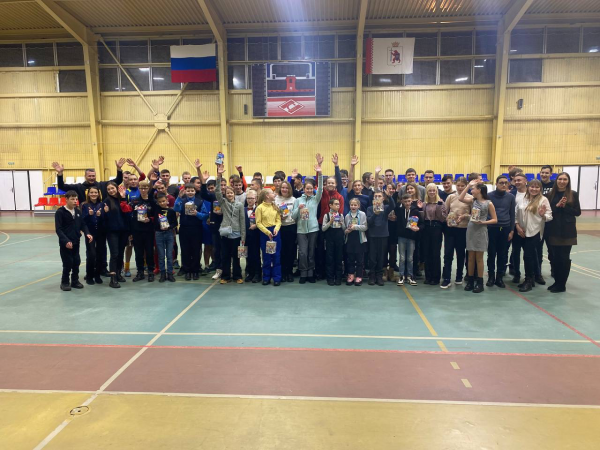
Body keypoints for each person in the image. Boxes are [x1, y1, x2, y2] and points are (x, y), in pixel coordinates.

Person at [544, 172, 581, 293]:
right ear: (556, 180)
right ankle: (556, 282)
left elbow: (577, 212)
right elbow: (548, 212)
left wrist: (565, 206)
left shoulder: (573, 194)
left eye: (565, 179)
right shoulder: (549, 195)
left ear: (568, 181)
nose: (562, 181)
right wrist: (557, 205)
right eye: (560, 179)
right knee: (554, 257)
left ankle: (561, 284)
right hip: (553, 230)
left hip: (567, 231)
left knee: (564, 258)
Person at [460, 181, 497, 293]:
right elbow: (461, 198)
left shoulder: (489, 203)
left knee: (479, 258)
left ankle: (480, 282)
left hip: (481, 230)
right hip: (471, 229)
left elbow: (495, 219)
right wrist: (468, 185)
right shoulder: (473, 200)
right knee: (470, 257)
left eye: (473, 189)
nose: (472, 191)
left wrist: (483, 222)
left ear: (479, 190)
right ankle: (470, 280)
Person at [516, 180, 553, 292]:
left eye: (537, 187)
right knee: (527, 256)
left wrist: (543, 215)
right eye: (532, 187)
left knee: (528, 256)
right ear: (528, 187)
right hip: (522, 231)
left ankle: (528, 280)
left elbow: (550, 216)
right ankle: (530, 279)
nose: (534, 189)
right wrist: (517, 226)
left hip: (534, 232)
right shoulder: (523, 198)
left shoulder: (543, 200)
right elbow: (516, 214)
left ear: (540, 189)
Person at [55, 190, 93, 291]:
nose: (75, 201)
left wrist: (87, 233)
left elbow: (83, 224)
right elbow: (58, 229)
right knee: (68, 263)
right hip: (66, 243)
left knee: (76, 261)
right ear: (66, 199)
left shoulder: (78, 212)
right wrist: (66, 241)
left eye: (76, 199)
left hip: (76, 241)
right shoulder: (60, 212)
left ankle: (75, 281)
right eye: (72, 199)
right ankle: (65, 282)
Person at [215, 164, 246, 284]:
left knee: (236, 257)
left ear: (234, 194)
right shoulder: (223, 203)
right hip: (225, 233)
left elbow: (242, 220)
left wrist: (243, 237)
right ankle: (225, 276)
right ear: (225, 194)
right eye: (227, 193)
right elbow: (217, 192)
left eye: (231, 193)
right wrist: (219, 176)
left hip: (237, 234)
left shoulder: (239, 205)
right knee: (225, 256)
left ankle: (237, 276)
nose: (229, 194)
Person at [292, 165, 323, 284]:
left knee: (311, 252)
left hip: (313, 230)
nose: (309, 190)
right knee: (303, 253)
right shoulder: (298, 200)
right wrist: (298, 209)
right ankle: (303, 273)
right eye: (307, 189)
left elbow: (320, 189)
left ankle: (310, 273)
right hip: (301, 230)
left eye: (311, 189)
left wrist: (320, 174)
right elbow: (293, 216)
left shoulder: (315, 199)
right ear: (304, 189)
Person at [316, 153, 344, 281]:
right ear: (326, 184)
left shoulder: (339, 197)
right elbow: (319, 183)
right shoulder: (323, 193)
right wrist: (319, 167)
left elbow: (340, 212)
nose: (331, 184)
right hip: (323, 225)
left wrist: (336, 166)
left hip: (336, 228)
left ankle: (336, 275)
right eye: (328, 183)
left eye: (333, 183)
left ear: (336, 184)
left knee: (336, 253)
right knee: (322, 250)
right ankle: (323, 273)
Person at [52, 159, 125, 204]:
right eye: (89, 176)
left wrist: (119, 169)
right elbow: (62, 187)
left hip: (102, 214)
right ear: (85, 176)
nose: (91, 178)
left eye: (93, 176)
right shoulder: (79, 187)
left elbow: (118, 180)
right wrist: (60, 174)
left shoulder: (102, 185)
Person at [486, 175, 516, 288]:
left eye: (505, 183)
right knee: (491, 253)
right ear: (496, 184)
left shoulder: (511, 197)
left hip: (505, 228)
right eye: (501, 183)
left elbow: (512, 214)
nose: (504, 185)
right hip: (491, 228)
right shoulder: (489, 196)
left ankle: (499, 277)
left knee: (503, 254)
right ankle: (491, 277)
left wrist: (511, 230)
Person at [441, 177, 471, 288]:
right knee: (448, 254)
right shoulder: (451, 197)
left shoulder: (470, 198)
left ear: (466, 186)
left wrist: (464, 216)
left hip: (463, 229)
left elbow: (474, 214)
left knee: (461, 254)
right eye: (458, 185)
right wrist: (448, 218)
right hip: (450, 229)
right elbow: (445, 211)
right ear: (455, 185)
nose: (460, 188)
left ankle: (459, 276)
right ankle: (447, 278)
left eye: (462, 186)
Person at [174, 183, 208, 281]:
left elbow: (205, 215)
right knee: (185, 250)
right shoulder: (182, 201)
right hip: (184, 228)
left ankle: (195, 270)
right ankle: (187, 270)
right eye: (188, 190)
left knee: (196, 250)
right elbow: (176, 209)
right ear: (185, 191)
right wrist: (179, 197)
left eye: (192, 191)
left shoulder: (200, 202)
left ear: (195, 191)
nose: (190, 192)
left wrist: (197, 214)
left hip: (196, 229)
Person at [103, 181, 131, 288]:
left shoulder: (123, 198)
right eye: (109, 189)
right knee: (114, 254)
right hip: (112, 232)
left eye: (112, 188)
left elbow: (127, 214)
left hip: (123, 231)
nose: (111, 191)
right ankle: (113, 278)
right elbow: (105, 219)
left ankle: (118, 274)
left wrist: (123, 199)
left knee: (120, 253)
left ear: (117, 188)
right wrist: (106, 213)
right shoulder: (106, 201)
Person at [129, 180, 156, 282]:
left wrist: (150, 219)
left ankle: (150, 271)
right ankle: (140, 272)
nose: (143, 190)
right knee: (138, 252)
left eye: (145, 188)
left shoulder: (152, 201)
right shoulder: (134, 201)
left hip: (149, 230)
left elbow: (157, 215)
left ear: (148, 189)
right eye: (141, 188)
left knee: (149, 252)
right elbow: (130, 216)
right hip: (137, 231)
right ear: (139, 189)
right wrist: (131, 232)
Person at [367, 189, 395, 286]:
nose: (377, 198)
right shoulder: (370, 209)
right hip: (372, 235)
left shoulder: (386, 208)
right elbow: (369, 222)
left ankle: (379, 276)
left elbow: (393, 206)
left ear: (383, 198)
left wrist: (389, 196)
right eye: (375, 196)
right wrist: (375, 214)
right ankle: (372, 275)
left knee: (381, 256)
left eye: (379, 196)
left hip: (383, 235)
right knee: (372, 257)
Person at [421, 183, 447, 286]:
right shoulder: (424, 204)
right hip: (426, 228)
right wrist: (420, 209)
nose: (432, 192)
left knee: (435, 253)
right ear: (427, 192)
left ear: (436, 192)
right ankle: (428, 276)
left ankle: (436, 277)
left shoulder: (441, 203)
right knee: (426, 253)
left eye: (434, 190)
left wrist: (439, 206)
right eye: (430, 191)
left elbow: (442, 218)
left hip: (437, 228)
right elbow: (422, 218)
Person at [256, 187, 282, 286]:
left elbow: (278, 220)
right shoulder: (260, 208)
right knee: (266, 256)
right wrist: (267, 232)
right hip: (265, 233)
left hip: (275, 233)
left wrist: (276, 229)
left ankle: (277, 277)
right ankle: (266, 277)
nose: (274, 194)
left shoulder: (275, 207)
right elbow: (258, 223)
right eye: (272, 193)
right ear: (267, 196)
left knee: (276, 256)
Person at [81, 186, 105, 285]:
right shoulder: (85, 205)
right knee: (91, 255)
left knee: (100, 254)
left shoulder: (102, 204)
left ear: (98, 194)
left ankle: (97, 275)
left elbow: (105, 220)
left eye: (95, 192)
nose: (93, 194)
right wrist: (89, 214)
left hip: (100, 233)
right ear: (88, 194)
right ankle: (89, 275)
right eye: (92, 192)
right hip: (90, 234)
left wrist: (101, 215)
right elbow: (82, 221)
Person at [394, 194, 421, 286]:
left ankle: (410, 276)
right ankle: (401, 276)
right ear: (402, 201)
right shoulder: (399, 210)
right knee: (402, 258)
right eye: (405, 201)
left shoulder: (415, 211)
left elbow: (421, 223)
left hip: (411, 238)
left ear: (412, 201)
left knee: (410, 258)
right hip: (401, 237)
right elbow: (394, 207)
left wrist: (418, 228)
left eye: (409, 201)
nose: (407, 203)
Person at [275, 180, 297, 282]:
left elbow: (296, 214)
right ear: (280, 189)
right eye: (283, 187)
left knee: (291, 250)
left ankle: (289, 272)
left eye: (286, 188)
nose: (284, 189)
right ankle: (283, 272)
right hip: (280, 228)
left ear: (289, 189)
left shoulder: (294, 200)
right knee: (281, 251)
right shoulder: (275, 199)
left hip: (291, 227)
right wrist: (279, 217)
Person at [154, 193, 178, 283]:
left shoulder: (171, 211)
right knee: (161, 255)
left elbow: (175, 223)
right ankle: (162, 273)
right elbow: (155, 223)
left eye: (163, 201)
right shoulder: (156, 210)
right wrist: (159, 226)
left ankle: (170, 273)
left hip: (169, 234)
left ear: (167, 201)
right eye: (160, 202)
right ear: (157, 203)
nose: (162, 203)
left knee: (169, 255)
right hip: (159, 234)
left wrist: (169, 227)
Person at [344, 198, 368, 286]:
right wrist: (347, 230)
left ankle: (359, 276)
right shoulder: (347, 216)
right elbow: (345, 229)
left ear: (358, 206)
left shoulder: (362, 214)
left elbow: (365, 227)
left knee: (359, 260)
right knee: (350, 259)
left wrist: (355, 227)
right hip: (350, 240)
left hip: (359, 240)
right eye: (351, 205)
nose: (353, 206)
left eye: (355, 205)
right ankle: (351, 275)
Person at [509, 173, 528, 284]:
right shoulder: (512, 194)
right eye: (515, 180)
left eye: (519, 180)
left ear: (525, 181)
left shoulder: (532, 193)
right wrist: (516, 226)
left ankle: (531, 275)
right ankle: (516, 274)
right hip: (516, 228)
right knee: (516, 252)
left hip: (530, 229)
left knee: (529, 253)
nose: (517, 182)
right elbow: (512, 212)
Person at [322, 198, 346, 285]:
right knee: (330, 258)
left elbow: (344, 229)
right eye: (336, 204)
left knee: (339, 258)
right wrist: (330, 222)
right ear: (330, 205)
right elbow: (323, 229)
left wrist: (341, 223)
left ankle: (338, 277)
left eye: (338, 204)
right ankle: (330, 278)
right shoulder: (326, 216)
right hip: (330, 239)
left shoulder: (341, 215)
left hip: (339, 239)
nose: (338, 206)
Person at [244, 189, 261, 283]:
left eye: (252, 198)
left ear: (256, 199)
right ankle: (250, 273)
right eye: (248, 198)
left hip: (256, 235)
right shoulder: (243, 209)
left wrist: (256, 225)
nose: (250, 200)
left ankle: (257, 274)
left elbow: (263, 221)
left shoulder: (259, 209)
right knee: (248, 255)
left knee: (256, 255)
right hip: (246, 236)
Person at [383, 183, 399, 282]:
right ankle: (384, 271)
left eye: (393, 188)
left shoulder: (398, 199)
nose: (391, 190)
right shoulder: (382, 200)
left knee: (393, 251)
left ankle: (391, 272)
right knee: (384, 251)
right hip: (384, 229)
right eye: (389, 188)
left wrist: (397, 218)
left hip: (394, 230)